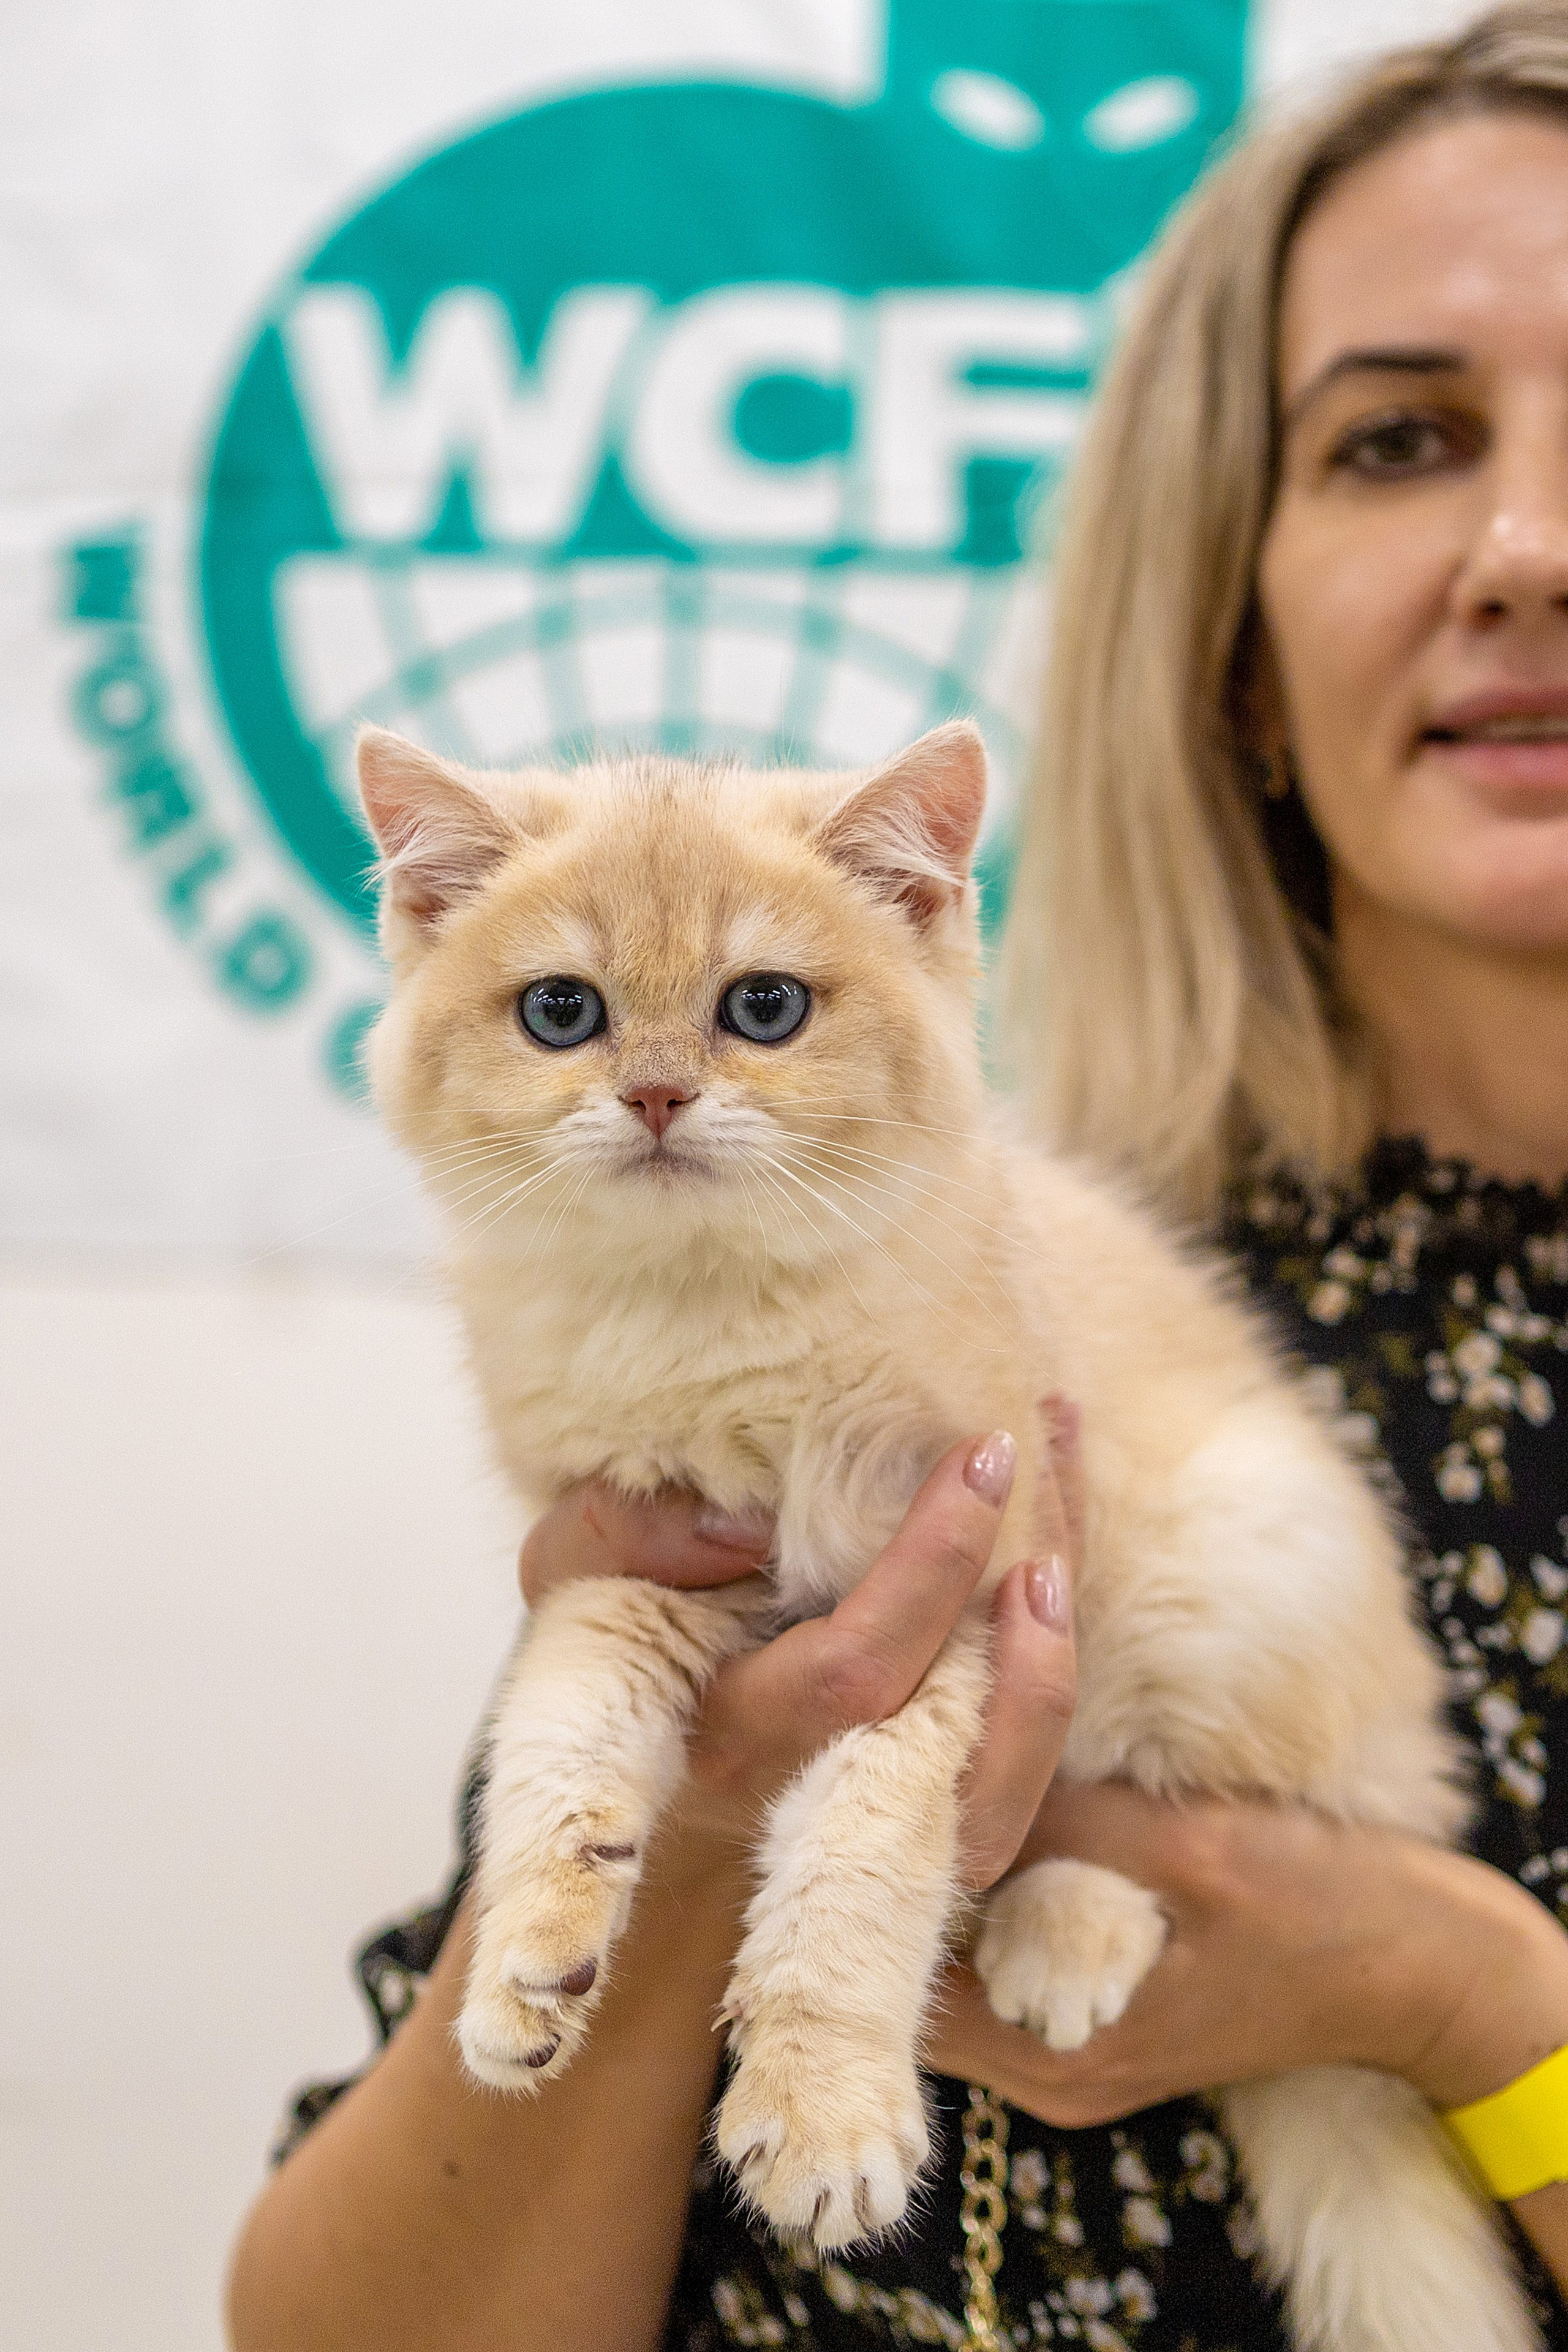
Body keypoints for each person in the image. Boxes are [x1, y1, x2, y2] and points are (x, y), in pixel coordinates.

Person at [227, 8, 1568, 2345]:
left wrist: (1463, 1998)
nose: (1533, 550)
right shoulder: (857, 1238)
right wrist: (700, 1851)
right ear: (1232, 628)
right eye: (1401, 438)